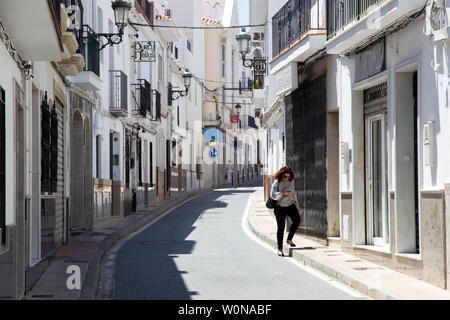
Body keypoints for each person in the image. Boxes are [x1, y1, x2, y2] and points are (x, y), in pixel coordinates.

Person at [270, 166, 301, 256]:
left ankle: (289, 239)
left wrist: (297, 207)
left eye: (289, 176)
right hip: (280, 207)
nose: (287, 178)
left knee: (297, 220)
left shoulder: (291, 182)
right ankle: (280, 248)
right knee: (281, 227)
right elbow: (273, 195)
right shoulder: (277, 182)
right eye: (285, 176)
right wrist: (282, 193)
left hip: (290, 205)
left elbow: (294, 194)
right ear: (281, 175)